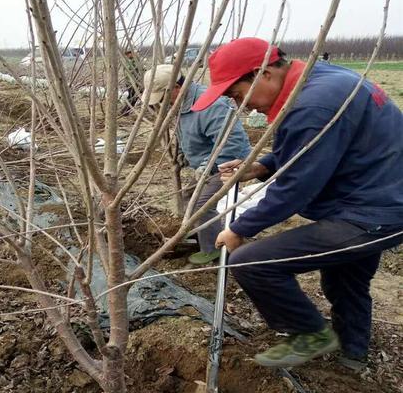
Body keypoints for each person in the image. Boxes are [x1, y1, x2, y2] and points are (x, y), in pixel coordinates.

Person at [191, 37, 403, 369]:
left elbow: (295, 189)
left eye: (236, 95)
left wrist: (239, 228)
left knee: (251, 262)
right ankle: (353, 356)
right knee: (344, 278)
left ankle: (311, 337)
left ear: (263, 73)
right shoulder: (320, 79)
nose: (242, 107)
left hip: (372, 211)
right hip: (379, 196)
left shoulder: (311, 105)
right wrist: (263, 166)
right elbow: (320, 146)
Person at [143, 64, 251, 264]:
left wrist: (210, 166)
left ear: (176, 87)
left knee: (203, 206)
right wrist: (184, 153)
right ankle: (199, 232)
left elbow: (232, 143)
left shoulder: (209, 105)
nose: (162, 104)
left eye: (163, 97)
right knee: (188, 197)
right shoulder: (183, 104)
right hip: (206, 163)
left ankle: (214, 249)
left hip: (228, 163)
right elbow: (190, 132)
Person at [120, 50, 141, 116]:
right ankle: (125, 111)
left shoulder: (136, 61)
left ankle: (125, 111)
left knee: (133, 97)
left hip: (135, 83)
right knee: (132, 97)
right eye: (127, 54)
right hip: (131, 83)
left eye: (129, 54)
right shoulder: (130, 62)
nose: (128, 56)